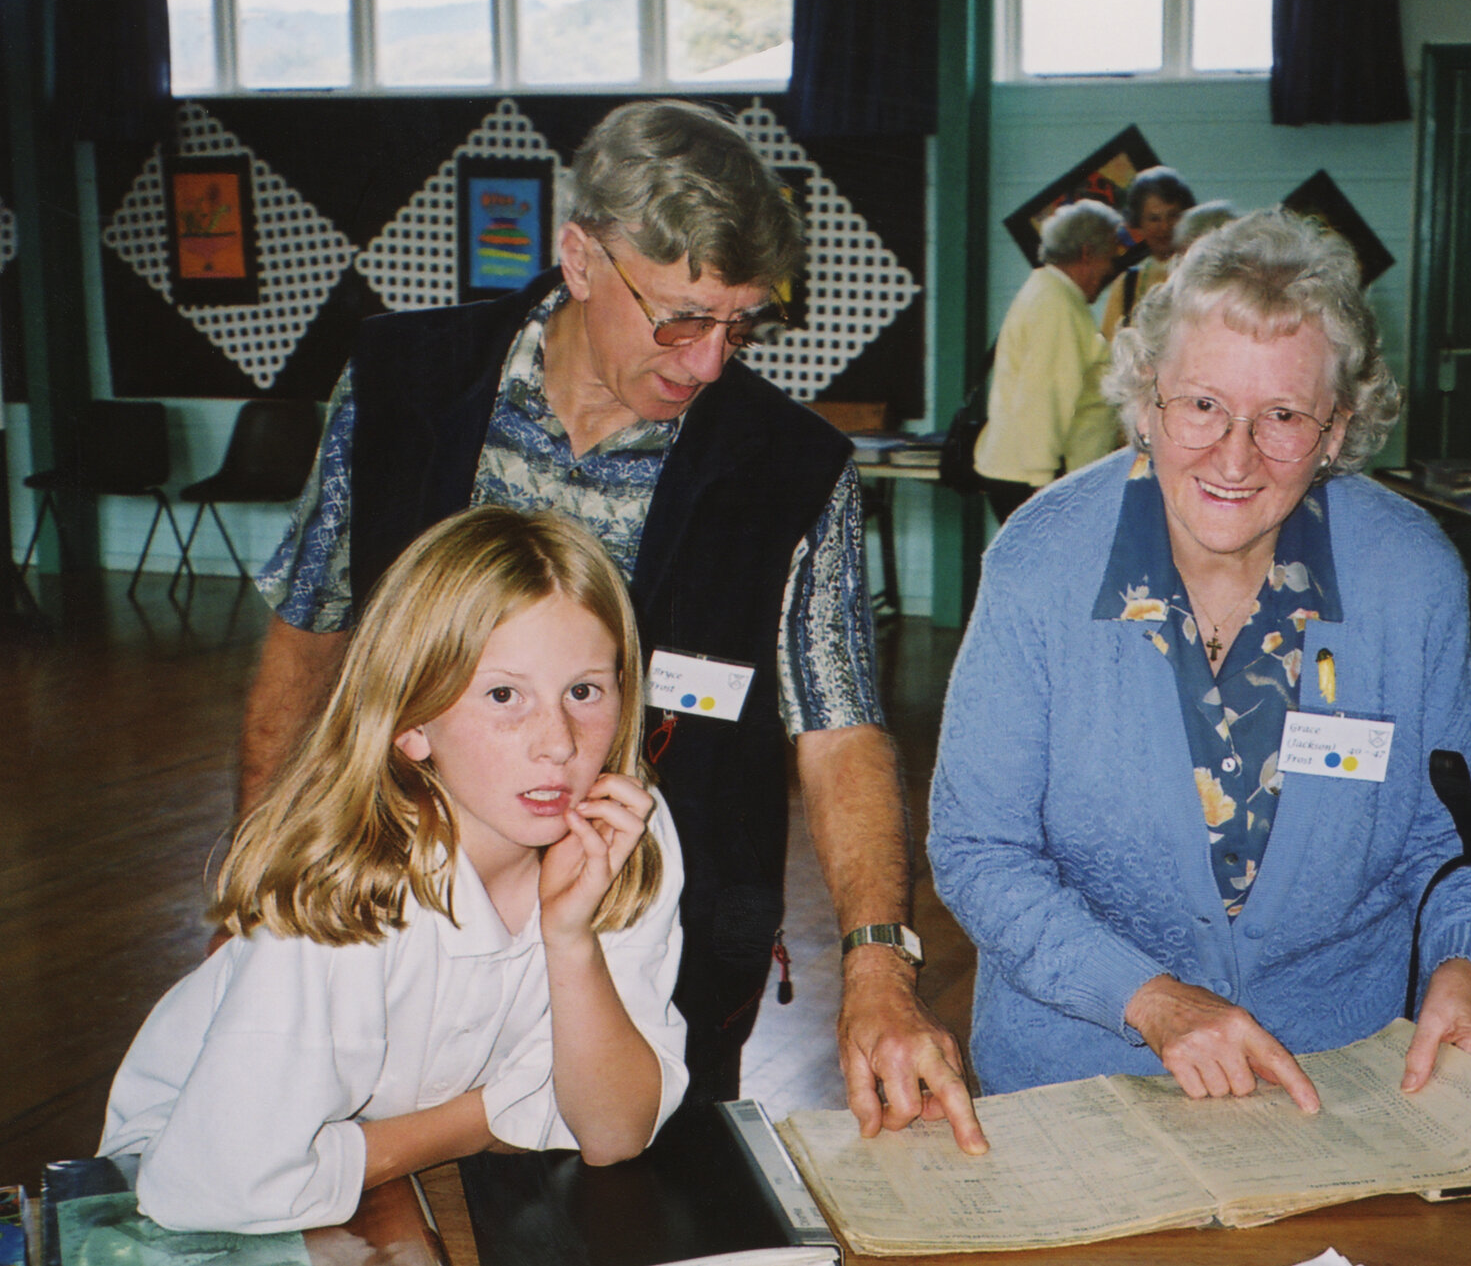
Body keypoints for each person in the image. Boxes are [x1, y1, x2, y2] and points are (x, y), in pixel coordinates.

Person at [244, 99, 986, 1153]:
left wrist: (877, 963)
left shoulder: (791, 465)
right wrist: (262, 876)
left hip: (662, 945)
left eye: (740, 324)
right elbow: (310, 629)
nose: (708, 363)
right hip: (393, 914)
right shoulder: (406, 382)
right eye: (680, 316)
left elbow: (842, 728)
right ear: (580, 257)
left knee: (635, 1200)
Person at [930, 210, 1471, 1104]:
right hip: (1080, 1071)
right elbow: (980, 848)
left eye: (1282, 414)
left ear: (1336, 428)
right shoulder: (1041, 562)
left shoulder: (1409, 574)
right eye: (1202, 405)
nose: (1234, 456)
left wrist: (1465, 964)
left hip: (1335, 1077)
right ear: (1144, 398)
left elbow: (1459, 835)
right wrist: (1155, 1002)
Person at [102, 508, 686, 1232]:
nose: (558, 744)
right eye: (504, 695)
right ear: (412, 722)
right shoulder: (349, 881)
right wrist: (487, 1115)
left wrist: (571, 938)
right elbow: (214, 1185)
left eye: (585, 690)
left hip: (373, 1171)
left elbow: (612, 1130)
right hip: (174, 1190)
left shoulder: (626, 832)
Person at [973, 199, 1125, 523]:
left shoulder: (1050, 292)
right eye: (1110, 256)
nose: (1112, 270)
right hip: (1039, 480)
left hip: (1033, 474)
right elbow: (1044, 398)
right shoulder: (1056, 305)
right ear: (1087, 254)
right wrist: (1045, 489)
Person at [1099, 165, 1195, 340]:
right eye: (1154, 219)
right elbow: (1109, 353)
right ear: (1139, 225)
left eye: (1173, 215)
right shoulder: (1127, 285)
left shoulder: (1202, 274)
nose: (1164, 227)